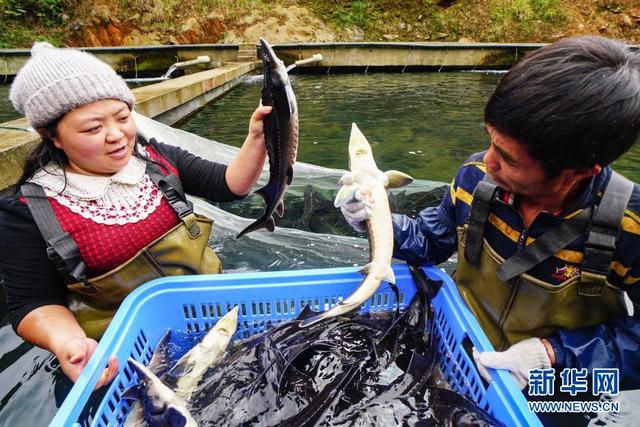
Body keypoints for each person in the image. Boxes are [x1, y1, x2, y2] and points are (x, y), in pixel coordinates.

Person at [341, 35, 640, 395]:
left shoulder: (629, 227)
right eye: (491, 141)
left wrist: (553, 355)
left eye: (508, 158)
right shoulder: (475, 178)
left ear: (578, 171)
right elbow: (430, 242)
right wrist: (374, 219)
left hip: (551, 387)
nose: (488, 161)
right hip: (459, 350)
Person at [0, 42, 271, 388]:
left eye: (123, 117)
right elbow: (32, 302)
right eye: (92, 129)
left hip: (218, 317)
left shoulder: (155, 161)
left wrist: (258, 138)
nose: (116, 136)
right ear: (51, 135)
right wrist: (67, 342)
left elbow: (228, 186)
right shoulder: (28, 211)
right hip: (126, 357)